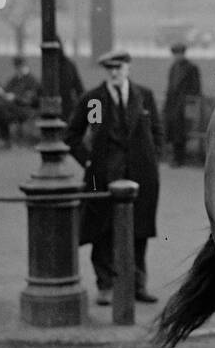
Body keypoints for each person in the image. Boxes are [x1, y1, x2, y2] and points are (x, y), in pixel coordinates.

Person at [63, 50, 162, 306]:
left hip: (141, 176)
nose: (115, 73)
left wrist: (151, 159)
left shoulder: (144, 96)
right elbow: (72, 135)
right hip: (100, 177)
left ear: (128, 67)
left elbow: (158, 132)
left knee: (139, 230)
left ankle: (137, 285)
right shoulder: (93, 99)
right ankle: (105, 285)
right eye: (110, 68)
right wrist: (87, 160)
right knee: (101, 230)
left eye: (119, 67)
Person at [0, 56, 41, 147]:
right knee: (0, 111)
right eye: (16, 67)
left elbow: (29, 100)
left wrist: (15, 98)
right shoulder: (14, 79)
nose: (18, 69)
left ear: (24, 66)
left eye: (19, 66)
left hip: (24, 109)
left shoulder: (31, 80)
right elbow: (5, 91)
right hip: (10, 108)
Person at [162, 41, 202, 167]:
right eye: (175, 54)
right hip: (173, 103)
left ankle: (180, 158)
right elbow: (170, 86)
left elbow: (196, 87)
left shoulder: (191, 67)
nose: (176, 56)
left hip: (184, 104)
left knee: (180, 131)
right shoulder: (174, 67)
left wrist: (187, 100)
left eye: (178, 53)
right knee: (172, 129)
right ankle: (175, 156)